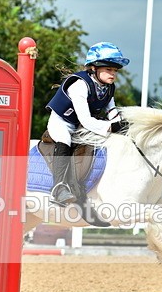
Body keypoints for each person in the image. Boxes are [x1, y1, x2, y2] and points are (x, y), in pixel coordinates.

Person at [45, 42, 129, 206]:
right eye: (109, 69)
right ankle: (59, 189)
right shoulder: (79, 85)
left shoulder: (108, 88)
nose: (113, 74)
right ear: (94, 68)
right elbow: (86, 120)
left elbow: (111, 111)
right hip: (62, 122)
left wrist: (122, 125)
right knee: (65, 141)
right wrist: (110, 127)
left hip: (83, 126)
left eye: (115, 71)